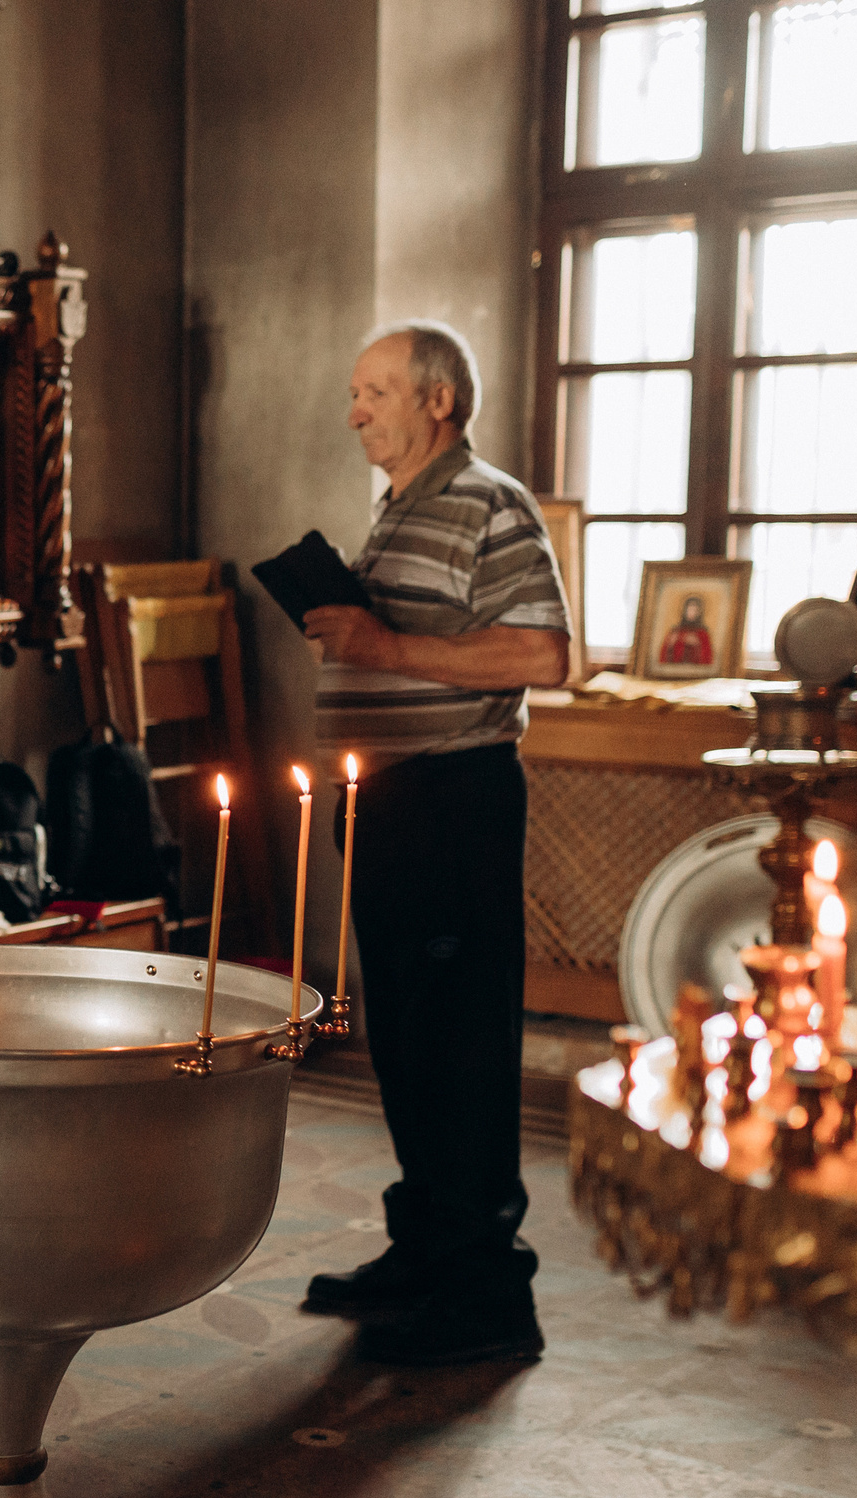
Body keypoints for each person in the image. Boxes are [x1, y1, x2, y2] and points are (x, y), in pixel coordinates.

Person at [298, 318, 572, 1366]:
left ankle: (488, 1292)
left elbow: (542, 653)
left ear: (437, 402)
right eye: (354, 391)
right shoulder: (403, 507)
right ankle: (423, 1251)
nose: (354, 409)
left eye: (373, 390)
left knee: (459, 1044)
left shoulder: (488, 502)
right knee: (406, 1041)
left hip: (455, 802)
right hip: (390, 807)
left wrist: (379, 644)